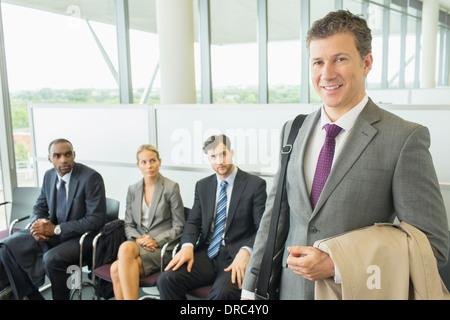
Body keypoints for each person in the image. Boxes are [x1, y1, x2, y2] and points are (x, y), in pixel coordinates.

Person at [242, 10, 449, 300]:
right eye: (318, 62)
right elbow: (273, 219)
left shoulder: (404, 138)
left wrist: (338, 263)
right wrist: (250, 290)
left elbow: (432, 246)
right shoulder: (293, 130)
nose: (327, 74)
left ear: (366, 63)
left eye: (340, 59)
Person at [157, 134, 267, 300]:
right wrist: (187, 245)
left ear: (232, 152)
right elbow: (193, 222)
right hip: (208, 253)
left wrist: (247, 251)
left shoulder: (255, 185)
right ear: (208, 159)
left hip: (236, 256)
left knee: (221, 294)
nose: (219, 161)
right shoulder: (203, 186)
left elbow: (262, 228)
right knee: (166, 280)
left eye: (223, 154)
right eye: (213, 157)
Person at [0, 138, 106, 300]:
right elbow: (39, 207)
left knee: (51, 259)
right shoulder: (49, 176)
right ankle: (32, 295)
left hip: (81, 238)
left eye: (67, 154)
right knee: (7, 245)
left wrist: (56, 229)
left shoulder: (90, 178)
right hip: (53, 233)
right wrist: (37, 225)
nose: (63, 159)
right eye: (57, 156)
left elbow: (95, 219)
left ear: (74, 155)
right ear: (50, 158)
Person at [110, 144, 185, 300]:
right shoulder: (133, 189)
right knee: (120, 257)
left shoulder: (171, 187)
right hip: (138, 244)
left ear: (160, 162)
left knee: (117, 265)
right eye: (144, 162)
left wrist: (156, 241)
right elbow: (128, 224)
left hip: (162, 247)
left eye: (152, 160)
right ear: (138, 165)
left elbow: (179, 226)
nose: (149, 165)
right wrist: (139, 239)